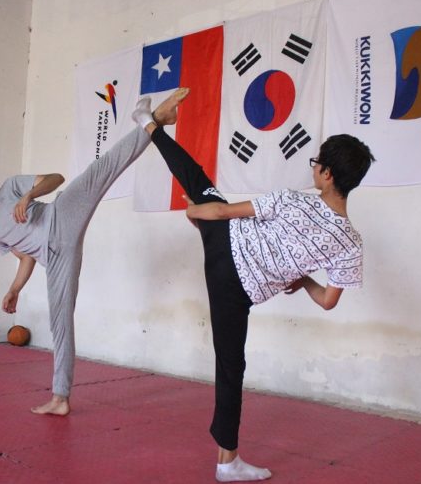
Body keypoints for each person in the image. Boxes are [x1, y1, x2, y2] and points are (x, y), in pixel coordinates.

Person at [131, 93, 375, 482]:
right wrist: (306, 278)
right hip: (235, 289)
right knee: (231, 369)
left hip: (225, 242)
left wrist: (195, 213)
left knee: (198, 181)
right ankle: (227, 463)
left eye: (317, 164)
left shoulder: (291, 200)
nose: (314, 169)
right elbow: (328, 301)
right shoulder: (351, 243)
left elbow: (224, 212)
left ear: (327, 175)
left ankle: (147, 123)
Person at [0, 89, 190, 416]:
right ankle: (60, 398)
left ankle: (157, 119)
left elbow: (56, 178)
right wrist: (13, 290)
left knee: (101, 169)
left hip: (60, 215)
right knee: (60, 322)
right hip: (55, 258)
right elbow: (25, 257)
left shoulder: (10, 186)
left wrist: (29, 196)